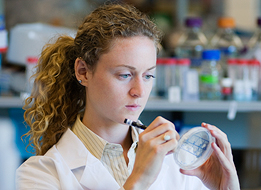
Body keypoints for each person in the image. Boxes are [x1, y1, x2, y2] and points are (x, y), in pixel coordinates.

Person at [16, 3, 240, 190]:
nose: (139, 91)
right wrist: (139, 180)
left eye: (148, 75)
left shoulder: (177, 162)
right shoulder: (41, 174)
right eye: (125, 75)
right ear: (83, 71)